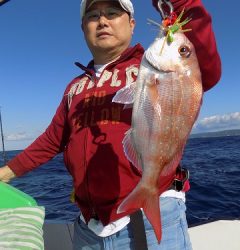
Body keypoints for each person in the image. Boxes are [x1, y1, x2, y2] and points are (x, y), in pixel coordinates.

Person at [0, 0, 221, 249]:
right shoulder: (75, 87)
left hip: (151, 217)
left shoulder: (152, 66)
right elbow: (53, 139)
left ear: (132, 23)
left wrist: (180, 4)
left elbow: (202, 65)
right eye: (93, 16)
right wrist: (5, 173)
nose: (103, 21)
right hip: (88, 227)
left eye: (113, 13)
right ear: (83, 28)